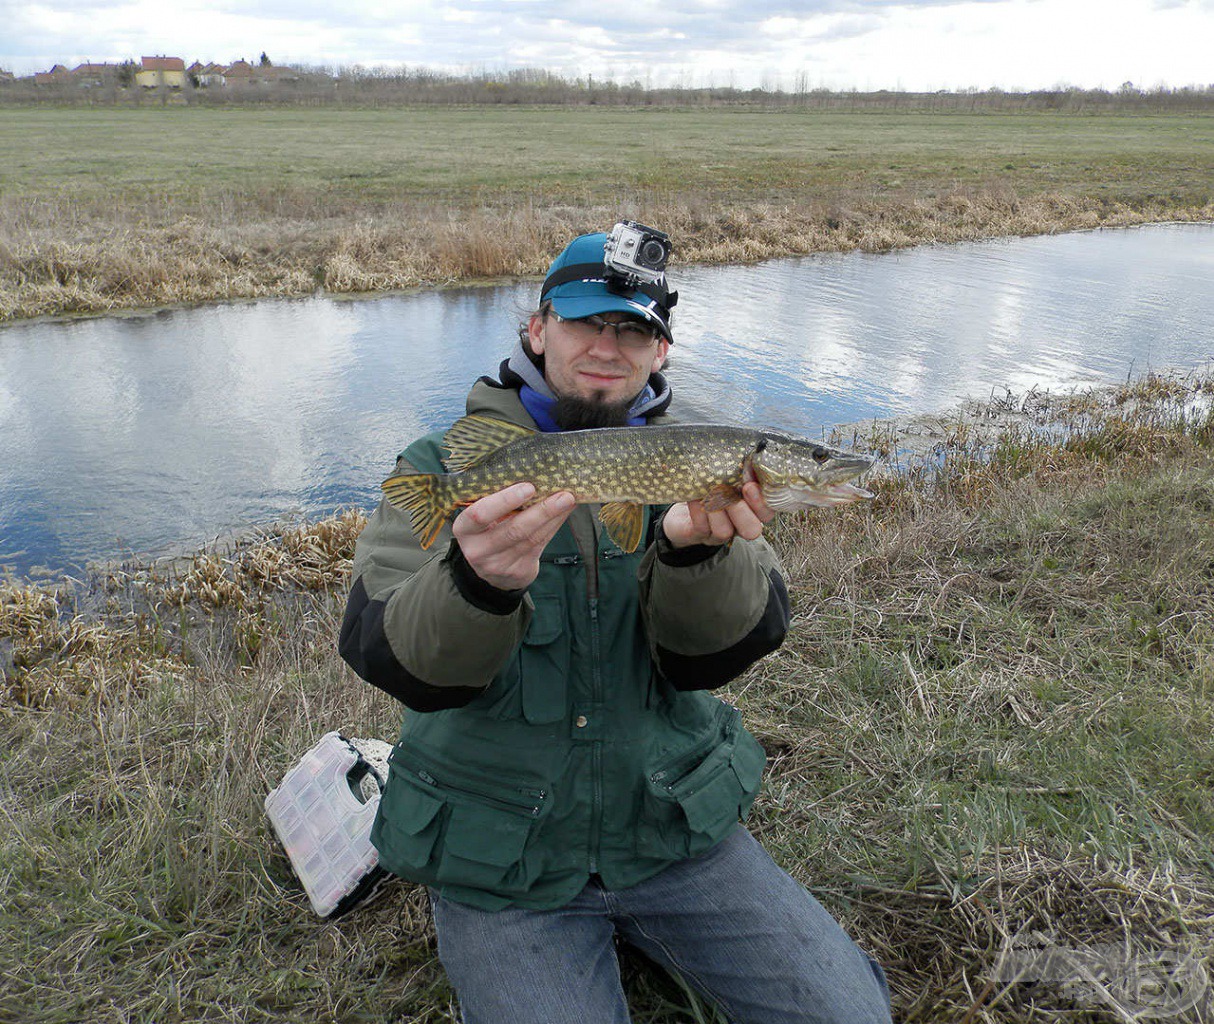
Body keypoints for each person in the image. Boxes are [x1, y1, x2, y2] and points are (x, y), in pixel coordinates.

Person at [339, 225, 892, 1024]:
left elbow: (725, 652)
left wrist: (695, 559)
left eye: (632, 329)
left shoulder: (704, 466)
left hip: (665, 825)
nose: (608, 346)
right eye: (584, 322)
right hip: (501, 851)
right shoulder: (434, 468)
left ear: (660, 352)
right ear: (537, 328)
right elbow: (387, 654)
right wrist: (476, 583)